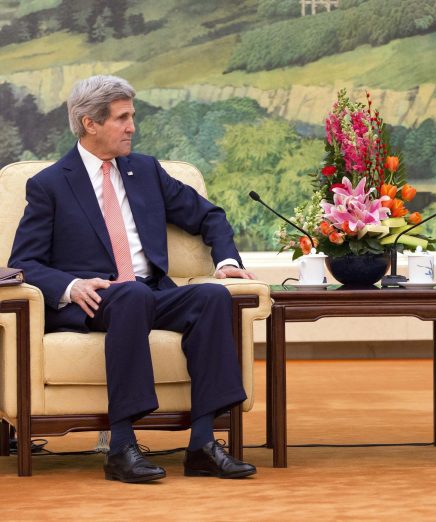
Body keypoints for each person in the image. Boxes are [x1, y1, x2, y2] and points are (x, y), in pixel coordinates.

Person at [9, 75, 258, 483]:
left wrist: (227, 260)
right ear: (90, 123)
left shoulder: (144, 171)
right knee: (129, 296)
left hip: (150, 292)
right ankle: (122, 446)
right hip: (95, 300)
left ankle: (202, 445)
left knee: (213, 297)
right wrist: (72, 287)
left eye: (132, 116)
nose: (132, 127)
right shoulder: (50, 185)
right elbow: (25, 263)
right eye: (122, 118)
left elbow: (209, 215)